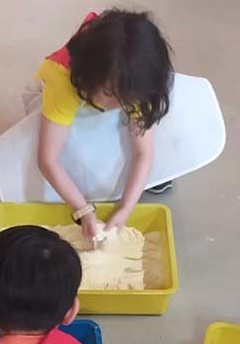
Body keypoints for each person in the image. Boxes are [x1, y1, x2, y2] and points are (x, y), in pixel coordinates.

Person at [34, 9, 173, 240]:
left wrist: (126, 208)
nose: (120, 104)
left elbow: (143, 153)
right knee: (73, 155)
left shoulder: (137, 83)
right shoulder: (62, 80)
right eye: (110, 93)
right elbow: (47, 159)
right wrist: (83, 209)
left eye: (126, 99)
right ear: (90, 79)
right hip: (65, 89)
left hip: (106, 79)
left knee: (132, 143)